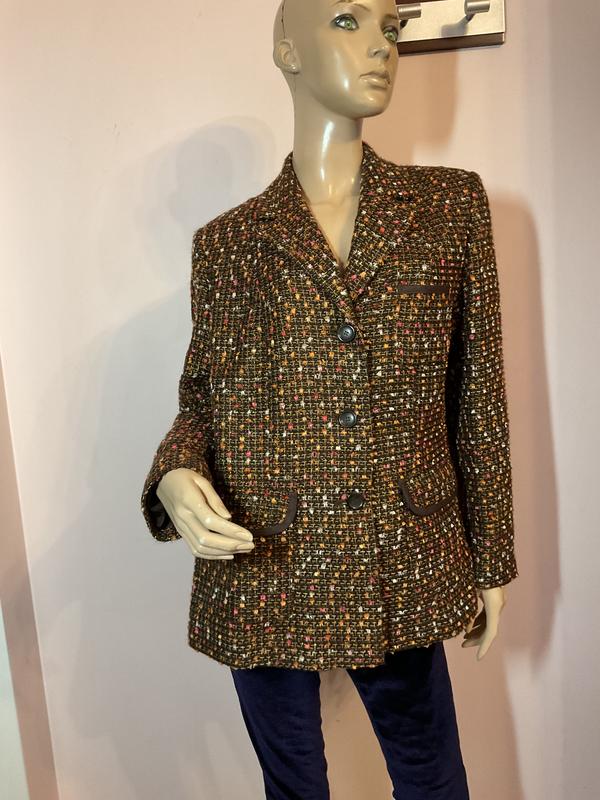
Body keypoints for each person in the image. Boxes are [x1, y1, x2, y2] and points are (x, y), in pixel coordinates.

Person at [140, 1, 518, 797]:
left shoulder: (449, 208)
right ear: (288, 49)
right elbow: (202, 397)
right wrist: (174, 474)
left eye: (391, 27)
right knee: (293, 788)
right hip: (263, 555)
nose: (382, 44)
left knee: (433, 779)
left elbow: (477, 396)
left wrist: (491, 556)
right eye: (349, 21)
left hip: (404, 551)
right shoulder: (227, 244)